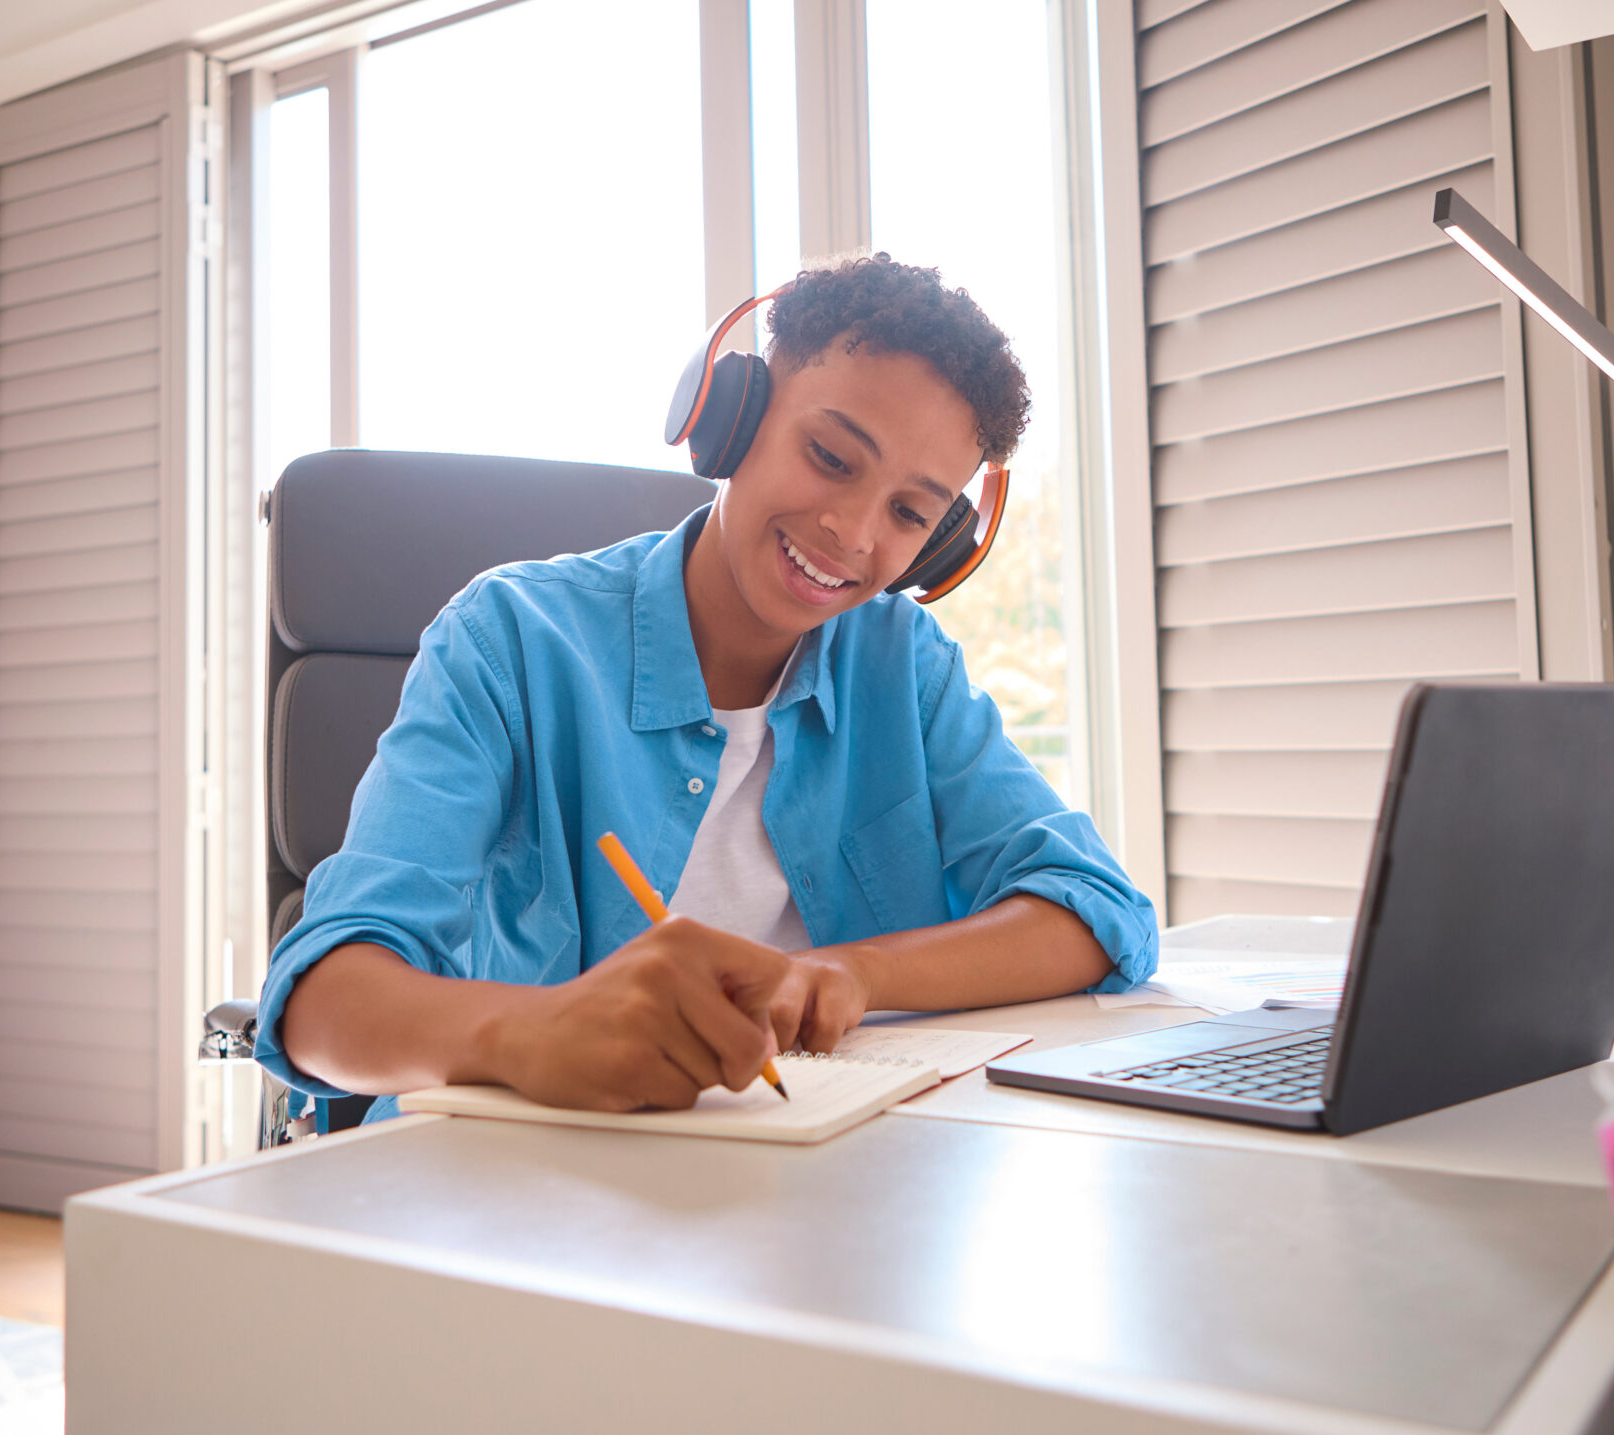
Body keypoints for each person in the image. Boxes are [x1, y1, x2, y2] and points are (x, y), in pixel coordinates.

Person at [257, 255, 1157, 1117]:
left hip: (833, 1181)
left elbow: (1097, 911)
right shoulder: (510, 642)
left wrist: (854, 973)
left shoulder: (903, 662)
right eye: (833, 457)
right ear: (737, 414)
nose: (850, 531)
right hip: (524, 1195)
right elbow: (321, 1003)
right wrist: (530, 1034)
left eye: (910, 513)